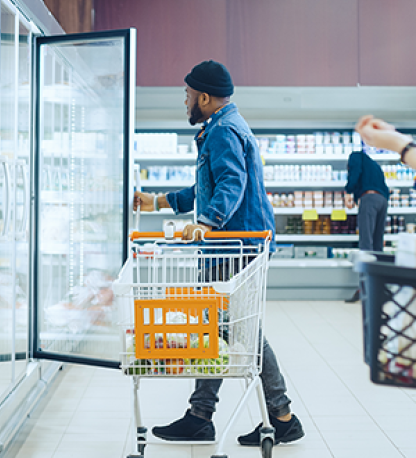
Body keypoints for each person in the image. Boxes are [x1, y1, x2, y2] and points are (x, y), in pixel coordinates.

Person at [133, 60, 304, 446]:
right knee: (220, 326)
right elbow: (204, 187)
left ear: (205, 97)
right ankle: (204, 414)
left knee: (237, 329)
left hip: (235, 246)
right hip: (233, 245)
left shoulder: (223, 131)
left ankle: (279, 415)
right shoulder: (221, 127)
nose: (185, 101)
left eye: (188, 95)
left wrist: (208, 224)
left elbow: (231, 181)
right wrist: (156, 200)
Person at [343, 143, 390, 303]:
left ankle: (364, 289)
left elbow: (354, 175)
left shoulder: (356, 157)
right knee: (377, 246)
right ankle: (380, 288)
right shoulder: (374, 165)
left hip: (369, 199)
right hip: (382, 201)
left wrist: (349, 191)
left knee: (366, 244)